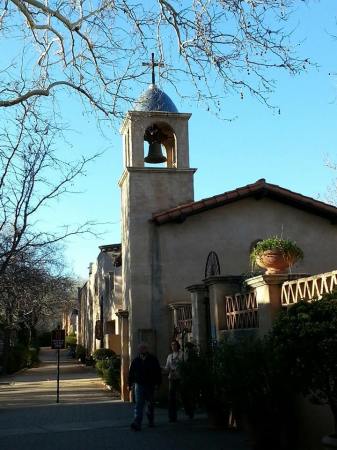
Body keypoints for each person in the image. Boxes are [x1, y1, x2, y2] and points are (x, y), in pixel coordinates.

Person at [128, 342, 162, 431]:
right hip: (139, 385)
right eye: (141, 348)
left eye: (144, 348)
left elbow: (158, 372)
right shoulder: (136, 360)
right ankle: (137, 422)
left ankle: (150, 420)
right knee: (139, 404)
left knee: (150, 404)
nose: (142, 350)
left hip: (150, 384)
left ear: (147, 349)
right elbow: (131, 373)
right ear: (139, 350)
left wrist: (158, 383)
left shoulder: (153, 359)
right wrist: (129, 384)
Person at [165, 339, 184, 422]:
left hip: (180, 378)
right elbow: (167, 367)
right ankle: (172, 416)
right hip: (172, 378)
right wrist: (162, 368)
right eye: (172, 345)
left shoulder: (182, 354)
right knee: (171, 398)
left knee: (183, 395)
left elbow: (185, 365)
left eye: (175, 344)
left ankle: (188, 409)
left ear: (178, 345)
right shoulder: (169, 356)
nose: (173, 346)